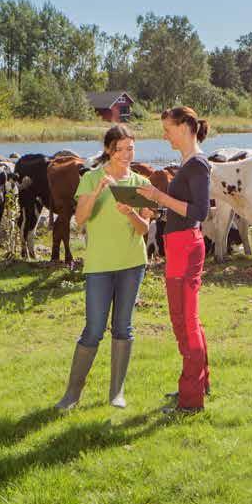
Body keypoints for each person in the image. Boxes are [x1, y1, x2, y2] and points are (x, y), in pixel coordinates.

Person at [54, 125, 152, 410]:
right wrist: (97, 191)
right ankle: (72, 394)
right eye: (120, 149)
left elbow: (143, 228)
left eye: (130, 148)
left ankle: (116, 393)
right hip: (99, 265)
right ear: (109, 150)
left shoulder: (140, 183)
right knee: (94, 329)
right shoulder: (91, 178)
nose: (126, 154)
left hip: (132, 264)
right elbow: (81, 219)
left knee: (123, 327)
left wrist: (131, 212)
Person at [137, 107, 211, 412]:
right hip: (180, 243)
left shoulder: (197, 165)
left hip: (185, 247)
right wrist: (159, 209)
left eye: (167, 128)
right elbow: (185, 209)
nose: (164, 134)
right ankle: (199, 384)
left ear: (184, 127)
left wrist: (159, 197)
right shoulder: (189, 163)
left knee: (185, 321)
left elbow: (199, 212)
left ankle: (190, 399)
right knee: (186, 320)